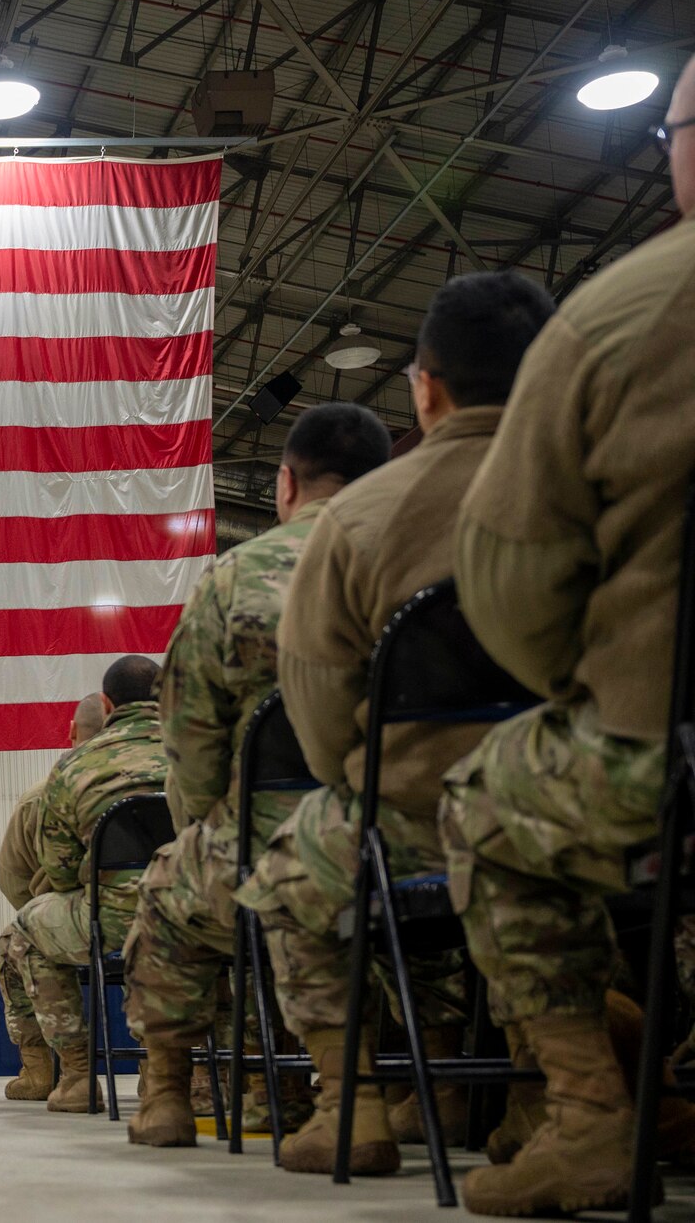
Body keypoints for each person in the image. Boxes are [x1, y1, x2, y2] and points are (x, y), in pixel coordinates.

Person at [435, 54, 695, 1217]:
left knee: (478, 801)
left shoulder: (623, 315)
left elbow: (514, 595)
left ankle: (586, 1110)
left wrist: (580, 690)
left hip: (666, 758)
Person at [235, 270, 556, 1176]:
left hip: (415, 821)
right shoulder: (606, 479)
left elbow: (324, 719)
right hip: (603, 799)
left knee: (293, 863)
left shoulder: (359, 523)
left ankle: (352, 1108)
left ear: (427, 385)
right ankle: (554, 1097)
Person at [122, 403, 393, 1147]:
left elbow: (193, 750)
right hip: (436, 827)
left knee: (166, 893)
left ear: (283, 486)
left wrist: (217, 822)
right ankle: (455, 1089)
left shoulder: (235, 579)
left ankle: (172, 1095)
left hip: (282, 835)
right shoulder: (430, 556)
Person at [16, 654, 168, 1112]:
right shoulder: (202, 750)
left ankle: (79, 1076)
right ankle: (196, 1078)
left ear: (106, 704)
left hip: (116, 919)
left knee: (27, 931)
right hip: (201, 912)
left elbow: (59, 872)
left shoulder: (75, 766)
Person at [0, 695, 105, 1102]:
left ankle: (56, 1073)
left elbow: (14, 883)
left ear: (73, 733)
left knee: (15, 942)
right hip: (168, 921)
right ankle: (183, 1077)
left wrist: (52, 908)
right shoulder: (169, 778)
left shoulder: (43, 796)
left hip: (82, 925)